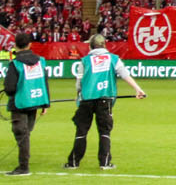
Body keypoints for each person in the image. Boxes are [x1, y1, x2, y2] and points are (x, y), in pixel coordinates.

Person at [65, 34, 146, 170]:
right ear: (104, 45)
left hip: (87, 100)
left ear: (91, 46)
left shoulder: (84, 61)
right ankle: (105, 162)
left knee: (81, 131)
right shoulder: (114, 59)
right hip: (105, 99)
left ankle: (73, 163)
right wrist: (138, 89)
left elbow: (79, 83)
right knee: (104, 132)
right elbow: (125, 74)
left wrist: (78, 95)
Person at [4, 32, 50, 177]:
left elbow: (10, 88)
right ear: (30, 44)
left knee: (21, 134)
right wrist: (45, 104)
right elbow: (44, 82)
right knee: (26, 133)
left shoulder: (15, 64)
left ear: (16, 46)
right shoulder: (41, 61)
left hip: (20, 103)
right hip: (35, 101)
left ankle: (23, 167)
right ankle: (24, 164)